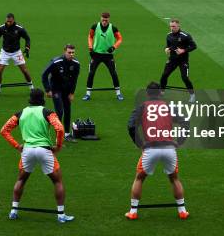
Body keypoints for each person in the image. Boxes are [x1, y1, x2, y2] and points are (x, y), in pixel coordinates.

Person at [0, 89, 74, 223]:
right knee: (57, 181)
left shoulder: (21, 113)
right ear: (43, 99)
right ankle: (61, 215)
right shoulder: (47, 112)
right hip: (44, 150)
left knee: (21, 180)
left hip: (27, 151)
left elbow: (4, 130)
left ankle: (13, 211)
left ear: (30, 99)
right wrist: (57, 146)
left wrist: (17, 146)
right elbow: (60, 128)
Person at [125, 82, 189, 220]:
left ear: (147, 94)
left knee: (140, 178)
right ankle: (182, 210)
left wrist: (140, 143)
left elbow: (130, 126)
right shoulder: (169, 107)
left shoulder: (142, 107)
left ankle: (133, 212)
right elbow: (185, 122)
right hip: (169, 148)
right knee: (174, 178)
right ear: (160, 93)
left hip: (151, 148)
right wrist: (180, 141)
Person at [42, 44, 80, 142]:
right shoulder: (56, 62)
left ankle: (67, 134)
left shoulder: (76, 64)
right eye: (69, 52)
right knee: (59, 111)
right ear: (64, 52)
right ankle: (58, 136)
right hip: (56, 89)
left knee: (68, 111)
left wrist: (72, 93)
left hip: (66, 90)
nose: (71, 54)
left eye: (73, 52)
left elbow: (75, 80)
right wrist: (48, 90)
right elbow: (44, 75)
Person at [83, 12, 123, 101]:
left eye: (106, 20)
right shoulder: (94, 26)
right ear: (100, 19)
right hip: (96, 54)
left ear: (109, 19)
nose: (104, 22)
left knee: (113, 73)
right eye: (103, 20)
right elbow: (90, 36)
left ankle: (118, 93)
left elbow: (120, 38)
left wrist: (114, 47)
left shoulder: (113, 28)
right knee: (91, 73)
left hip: (108, 56)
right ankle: (88, 94)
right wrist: (90, 47)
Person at [0, 13, 33, 97]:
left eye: (10, 21)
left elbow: (27, 38)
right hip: (5, 52)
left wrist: (27, 48)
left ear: (13, 20)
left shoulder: (19, 28)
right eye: (7, 21)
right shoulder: (1, 28)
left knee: (24, 70)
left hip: (16, 52)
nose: (8, 23)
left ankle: (31, 87)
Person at [160, 19, 197, 102]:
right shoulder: (168, 35)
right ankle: (161, 92)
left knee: (185, 78)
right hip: (172, 59)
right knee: (164, 75)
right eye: (170, 26)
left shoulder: (185, 36)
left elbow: (194, 46)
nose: (172, 28)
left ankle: (192, 95)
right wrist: (166, 49)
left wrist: (183, 50)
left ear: (178, 26)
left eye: (174, 26)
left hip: (183, 60)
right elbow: (168, 45)